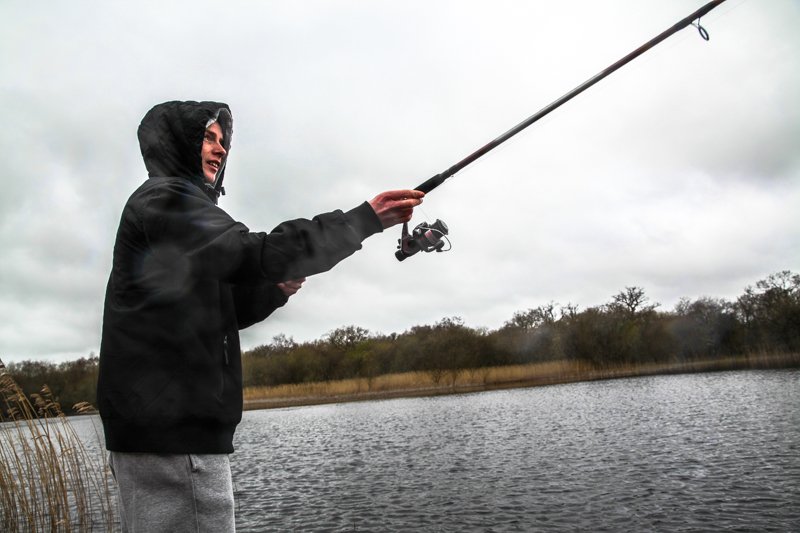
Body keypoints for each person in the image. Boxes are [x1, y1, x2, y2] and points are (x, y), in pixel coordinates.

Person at [97, 100, 424, 532]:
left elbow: (217, 312)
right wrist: (363, 220)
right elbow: (252, 253)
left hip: (168, 432)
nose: (219, 150)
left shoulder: (174, 212)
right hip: (174, 435)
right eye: (207, 139)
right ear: (179, 144)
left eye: (222, 141)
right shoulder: (165, 200)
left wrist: (275, 289)